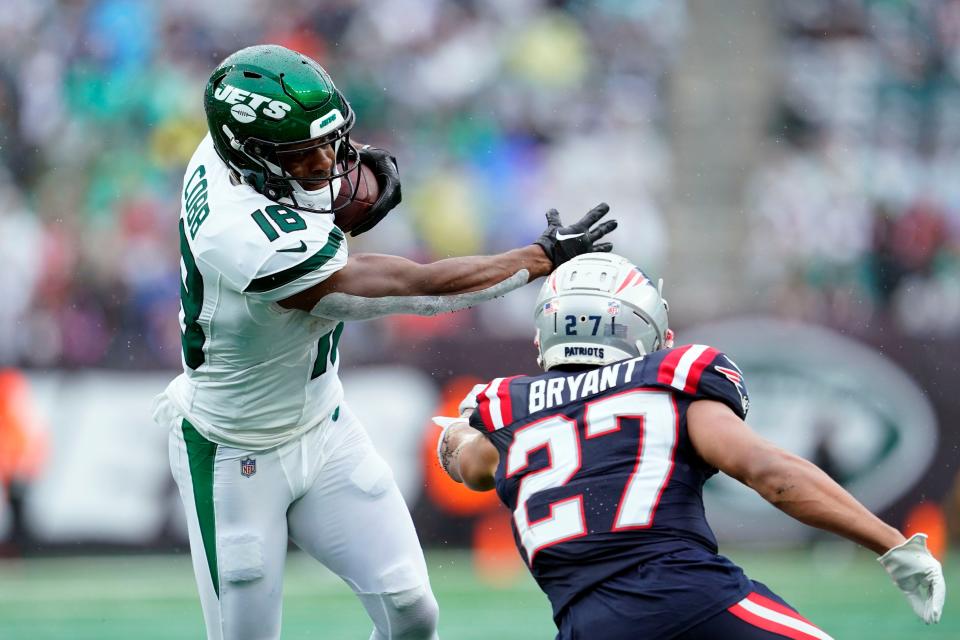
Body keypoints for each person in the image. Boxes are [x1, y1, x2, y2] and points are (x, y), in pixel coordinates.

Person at [151, 44, 617, 640]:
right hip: (230, 452)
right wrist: (537, 258)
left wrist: (332, 176)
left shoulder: (232, 152)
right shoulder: (239, 237)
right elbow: (414, 289)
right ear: (251, 156)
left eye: (330, 142)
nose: (327, 162)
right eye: (304, 156)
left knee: (412, 611)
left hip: (324, 425)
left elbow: (312, 190)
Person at [435, 252, 946, 640]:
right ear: (640, 325)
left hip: (582, 623)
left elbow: (469, 464)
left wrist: (454, 435)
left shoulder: (508, 408)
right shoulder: (669, 381)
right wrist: (891, 544)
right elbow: (771, 473)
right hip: (686, 598)